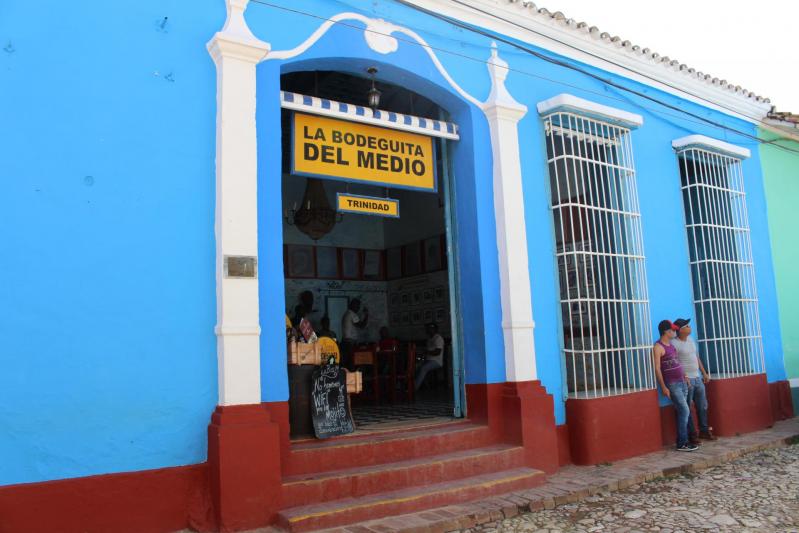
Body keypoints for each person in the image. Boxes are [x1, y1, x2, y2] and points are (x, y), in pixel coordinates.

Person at [653, 319, 698, 452]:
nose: (675, 332)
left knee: (683, 410)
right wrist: (664, 387)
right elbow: (657, 368)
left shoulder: (672, 346)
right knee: (685, 410)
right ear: (666, 332)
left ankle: (684, 440)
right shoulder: (658, 347)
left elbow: (677, 362)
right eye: (673, 330)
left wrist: (685, 376)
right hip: (673, 384)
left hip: (682, 381)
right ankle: (682, 443)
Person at [672, 318, 717, 442]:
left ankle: (704, 430)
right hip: (687, 380)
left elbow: (696, 357)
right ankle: (692, 434)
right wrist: (683, 376)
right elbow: (675, 362)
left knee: (702, 406)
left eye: (689, 325)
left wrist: (704, 373)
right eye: (686, 326)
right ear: (680, 330)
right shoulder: (674, 344)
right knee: (688, 408)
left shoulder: (691, 340)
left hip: (697, 378)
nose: (689, 328)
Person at [415, 322, 445, 391]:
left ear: (434, 329)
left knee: (423, 368)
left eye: (430, 328)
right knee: (416, 366)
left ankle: (414, 388)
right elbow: (427, 351)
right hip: (429, 360)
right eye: (427, 328)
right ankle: (424, 385)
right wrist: (421, 355)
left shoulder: (438, 338)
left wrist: (426, 352)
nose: (428, 330)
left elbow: (437, 352)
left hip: (436, 361)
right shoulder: (429, 339)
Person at [340, 299, 368, 370]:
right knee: (352, 364)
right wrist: (366, 315)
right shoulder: (352, 314)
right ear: (353, 305)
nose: (358, 308)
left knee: (347, 365)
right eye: (357, 306)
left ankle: (348, 380)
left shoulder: (346, 313)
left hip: (345, 342)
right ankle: (353, 380)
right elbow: (362, 326)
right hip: (350, 344)